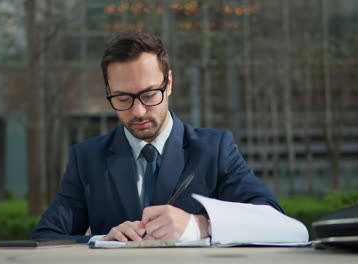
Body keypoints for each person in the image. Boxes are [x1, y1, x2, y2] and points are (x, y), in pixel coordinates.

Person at [32, 29, 283, 243]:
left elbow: (276, 223)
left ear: (169, 83)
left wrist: (199, 226)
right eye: (122, 98)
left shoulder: (215, 149)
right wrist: (103, 240)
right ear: (108, 91)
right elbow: (44, 238)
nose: (138, 111)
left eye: (150, 94)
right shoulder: (86, 158)